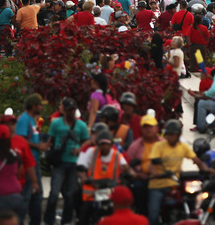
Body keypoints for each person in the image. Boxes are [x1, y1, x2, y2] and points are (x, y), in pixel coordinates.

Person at [147, 119, 214, 224]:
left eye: (172, 134)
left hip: (175, 184)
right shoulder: (158, 146)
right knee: (153, 215)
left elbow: (197, 161)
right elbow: (152, 165)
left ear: (178, 135)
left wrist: (207, 169)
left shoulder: (183, 147)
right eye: (168, 134)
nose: (169, 137)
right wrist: (156, 174)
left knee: (193, 203)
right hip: (158, 185)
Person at [44, 97, 90, 225]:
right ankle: (49, 219)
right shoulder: (56, 123)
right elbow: (51, 140)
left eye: (73, 110)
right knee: (54, 193)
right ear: (64, 110)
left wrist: (79, 149)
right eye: (68, 109)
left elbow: (87, 140)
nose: (70, 112)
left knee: (70, 194)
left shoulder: (81, 125)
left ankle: (66, 220)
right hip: (59, 162)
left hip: (73, 162)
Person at [77, 130, 131, 225]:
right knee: (84, 212)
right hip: (92, 192)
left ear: (111, 144)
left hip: (111, 192)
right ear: (97, 144)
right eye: (102, 144)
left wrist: (132, 174)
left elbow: (126, 167)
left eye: (106, 144)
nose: (104, 146)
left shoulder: (117, 155)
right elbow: (81, 166)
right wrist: (83, 177)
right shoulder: (91, 152)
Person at [16, 94, 48, 225]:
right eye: (40, 104)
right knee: (27, 196)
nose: (42, 107)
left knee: (36, 196)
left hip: (34, 161)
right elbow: (21, 140)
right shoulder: (24, 120)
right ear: (34, 106)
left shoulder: (32, 119)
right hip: (28, 163)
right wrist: (38, 146)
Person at [126, 114, 162, 217]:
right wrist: (135, 174)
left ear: (156, 128)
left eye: (150, 127)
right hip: (143, 179)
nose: (148, 130)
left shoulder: (164, 144)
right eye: (145, 127)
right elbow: (127, 164)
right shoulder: (135, 146)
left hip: (162, 179)